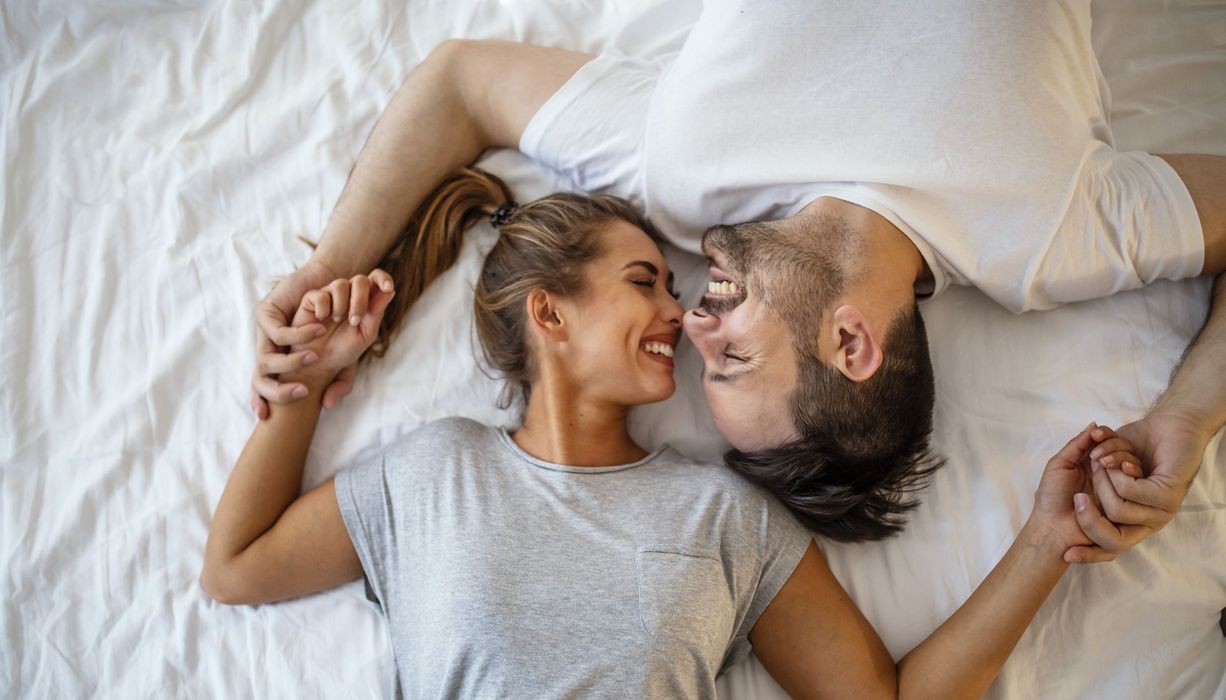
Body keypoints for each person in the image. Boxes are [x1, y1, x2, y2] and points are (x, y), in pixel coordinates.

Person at [250, 3, 1225, 549]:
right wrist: (1185, 418)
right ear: (850, 340)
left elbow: (460, 80)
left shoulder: (681, 186)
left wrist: (335, 262)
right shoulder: (1051, 237)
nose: (689, 326)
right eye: (733, 359)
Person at [206, 168, 1143, 698]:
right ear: (552, 314)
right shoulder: (430, 474)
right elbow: (236, 566)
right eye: (644, 281)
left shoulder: (725, 518)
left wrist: (1044, 544)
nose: (677, 305)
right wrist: (310, 383)